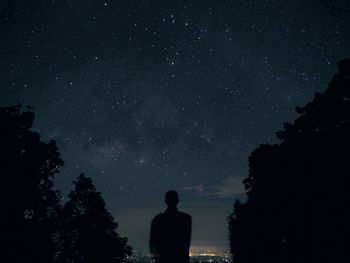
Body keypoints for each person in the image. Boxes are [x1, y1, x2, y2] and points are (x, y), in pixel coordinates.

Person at [150, 190, 192, 263]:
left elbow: (152, 242)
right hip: (180, 259)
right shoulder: (186, 218)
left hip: (163, 259)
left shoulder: (158, 219)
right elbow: (186, 242)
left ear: (166, 201)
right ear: (177, 201)